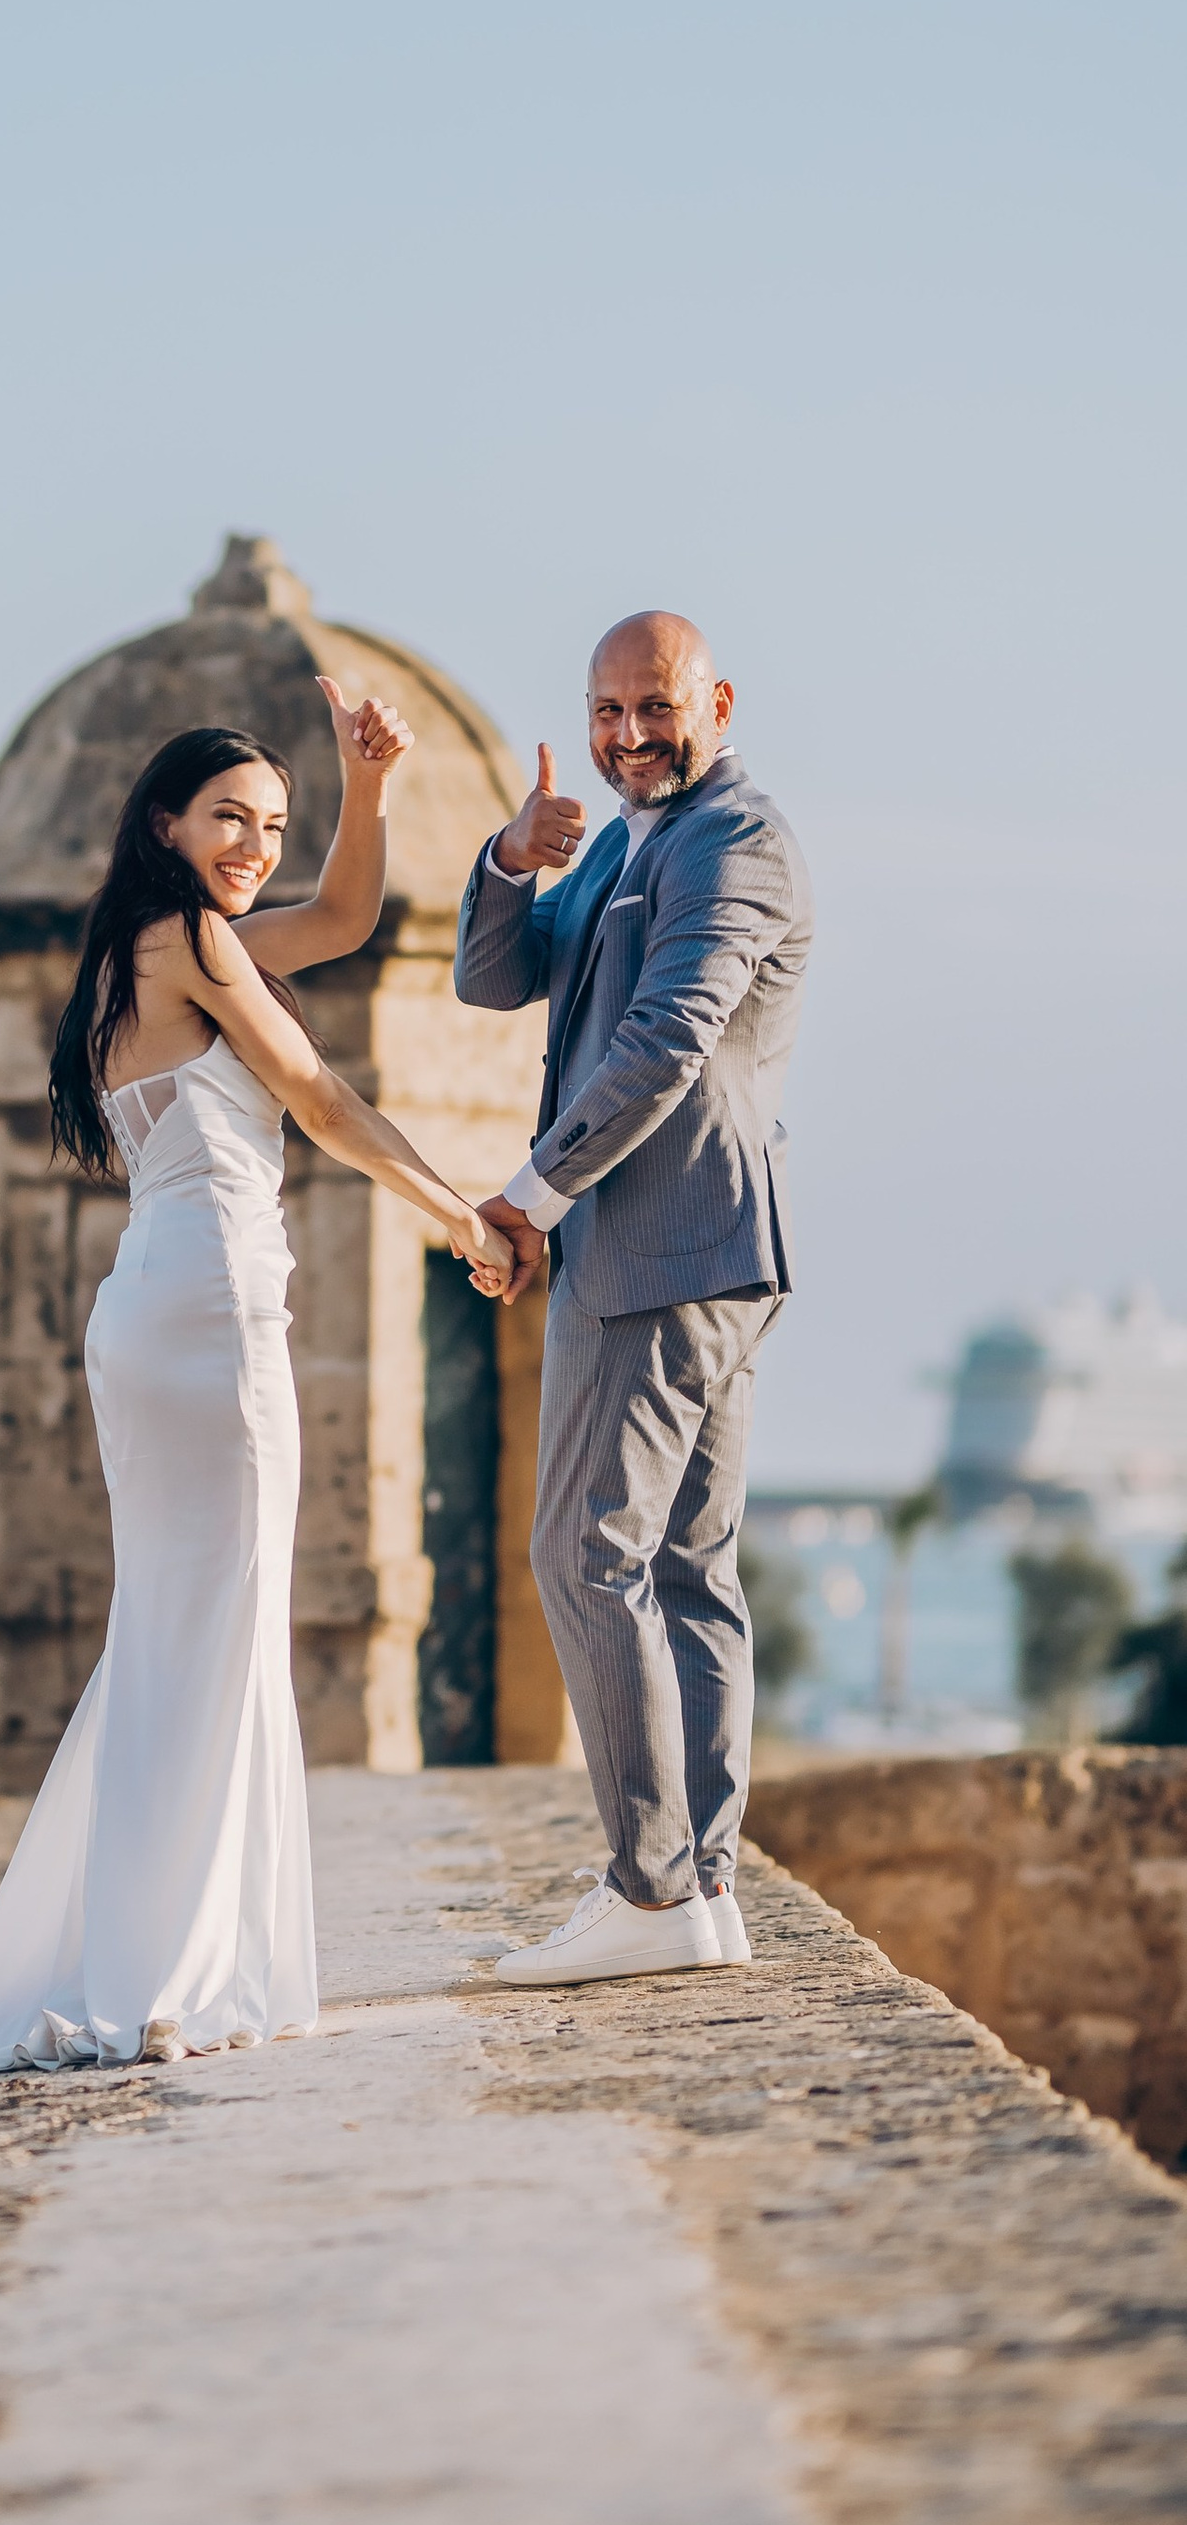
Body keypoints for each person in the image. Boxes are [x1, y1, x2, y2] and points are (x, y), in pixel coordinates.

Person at [0, 690, 518, 2074]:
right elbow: (322, 1099)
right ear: (163, 820)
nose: (253, 842)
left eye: (271, 825)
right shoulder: (179, 937)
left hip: (164, 1305)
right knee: (214, 1622)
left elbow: (347, 924)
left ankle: (151, 1953)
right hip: (210, 1311)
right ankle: (171, 1968)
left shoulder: (163, 944)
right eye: (230, 816)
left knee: (183, 1624)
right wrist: (461, 1212)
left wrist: (366, 786)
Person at [455, 611, 811, 1985]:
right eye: (606, 711)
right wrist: (510, 858)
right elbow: (495, 977)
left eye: (652, 706)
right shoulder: (620, 840)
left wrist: (528, 1198)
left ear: (716, 701)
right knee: (684, 1568)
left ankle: (651, 1895)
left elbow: (670, 1037)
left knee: (581, 1552)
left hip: (662, 1252)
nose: (626, 735)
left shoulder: (737, 840)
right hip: (695, 1255)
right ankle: (701, 1893)